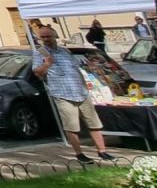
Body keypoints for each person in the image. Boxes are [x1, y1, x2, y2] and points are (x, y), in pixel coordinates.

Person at [31, 26, 116, 164]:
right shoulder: (40, 53)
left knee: (93, 122)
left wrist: (90, 67)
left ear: (54, 36)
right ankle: (79, 153)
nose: (46, 39)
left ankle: (102, 151)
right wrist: (46, 65)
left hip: (80, 91)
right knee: (72, 126)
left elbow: (77, 67)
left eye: (48, 36)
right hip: (62, 93)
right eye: (43, 37)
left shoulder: (65, 51)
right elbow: (37, 73)